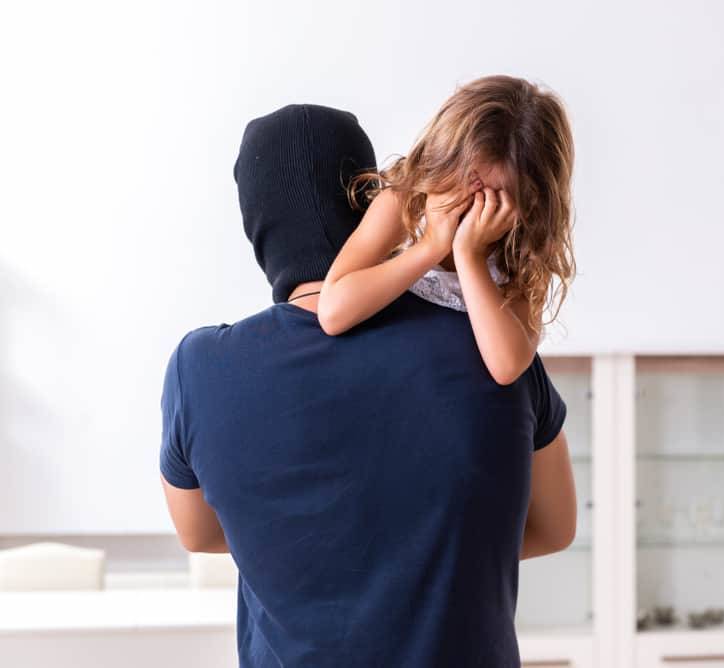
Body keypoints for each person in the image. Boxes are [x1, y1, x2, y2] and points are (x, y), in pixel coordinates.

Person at [157, 103, 577, 668]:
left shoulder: (200, 367)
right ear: (371, 199)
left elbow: (198, 534)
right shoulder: (491, 340)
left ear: (255, 224)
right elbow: (554, 525)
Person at [316, 75, 576, 386]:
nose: (471, 208)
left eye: (493, 199)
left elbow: (507, 366)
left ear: (530, 203)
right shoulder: (402, 205)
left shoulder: (523, 249)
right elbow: (333, 313)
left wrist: (469, 255)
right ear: (438, 163)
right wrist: (431, 246)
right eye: (461, 186)